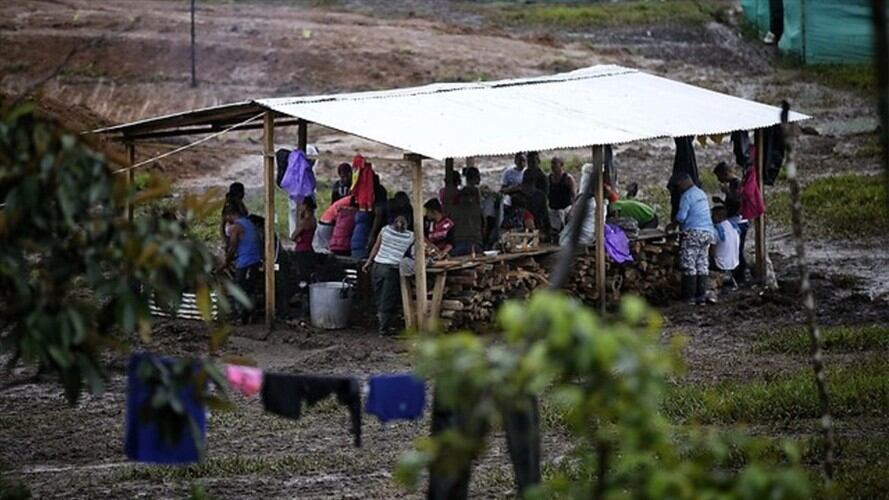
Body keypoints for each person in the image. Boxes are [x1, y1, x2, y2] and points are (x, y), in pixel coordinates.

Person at [363, 216, 415, 335]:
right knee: (387, 298)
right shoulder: (410, 236)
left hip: (377, 266)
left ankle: (379, 323)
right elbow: (424, 245)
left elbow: (376, 247)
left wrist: (369, 261)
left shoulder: (385, 230)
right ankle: (383, 329)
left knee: (378, 295)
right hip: (391, 269)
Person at [670, 173, 716, 305]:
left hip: (693, 232)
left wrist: (672, 225)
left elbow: (681, 217)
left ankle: (689, 297)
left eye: (678, 186)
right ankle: (701, 296)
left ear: (682, 182)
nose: (678, 189)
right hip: (707, 232)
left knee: (689, 264)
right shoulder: (701, 193)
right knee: (702, 263)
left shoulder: (687, 196)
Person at [222, 204, 262, 324]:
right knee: (251, 289)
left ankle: (240, 317)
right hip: (255, 261)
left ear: (229, 215)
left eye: (225, 218)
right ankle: (251, 315)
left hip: (246, 262)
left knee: (239, 289)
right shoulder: (249, 223)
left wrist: (226, 263)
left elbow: (232, 247)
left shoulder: (236, 227)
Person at [712, 161, 749, 285]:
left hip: (739, 220)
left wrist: (727, 192)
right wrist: (722, 201)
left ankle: (740, 276)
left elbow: (739, 202)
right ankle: (736, 274)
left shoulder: (736, 183)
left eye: (719, 176)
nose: (719, 180)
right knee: (734, 248)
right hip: (734, 219)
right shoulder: (733, 184)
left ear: (725, 173)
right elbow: (732, 204)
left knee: (737, 248)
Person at [559, 164, 599, 246]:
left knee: (563, 239)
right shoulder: (599, 201)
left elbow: (572, 217)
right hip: (590, 236)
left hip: (581, 238)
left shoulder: (586, 202)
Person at [711, 206, 740, 287]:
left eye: (713, 215)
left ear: (718, 216)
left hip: (721, 265)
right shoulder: (734, 226)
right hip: (735, 263)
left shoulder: (716, 230)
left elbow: (712, 252)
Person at [547, 156, 576, 235]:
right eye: (551, 163)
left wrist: (572, 210)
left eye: (555, 163)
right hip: (553, 210)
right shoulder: (549, 178)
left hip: (566, 208)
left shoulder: (568, 179)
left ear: (561, 165)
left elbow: (574, 196)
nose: (552, 166)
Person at [520, 168, 551, 240]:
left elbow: (545, 216)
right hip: (524, 228)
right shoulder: (518, 195)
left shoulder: (540, 196)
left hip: (536, 227)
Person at [291, 197, 317, 275]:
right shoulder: (313, 219)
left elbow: (293, 236)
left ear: (305, 206)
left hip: (302, 251)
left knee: (302, 274)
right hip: (309, 249)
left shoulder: (305, 222)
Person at [220, 182, 248, 249]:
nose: (243, 194)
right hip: (234, 234)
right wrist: (226, 240)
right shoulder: (230, 206)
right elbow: (223, 223)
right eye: (242, 192)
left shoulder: (238, 202)